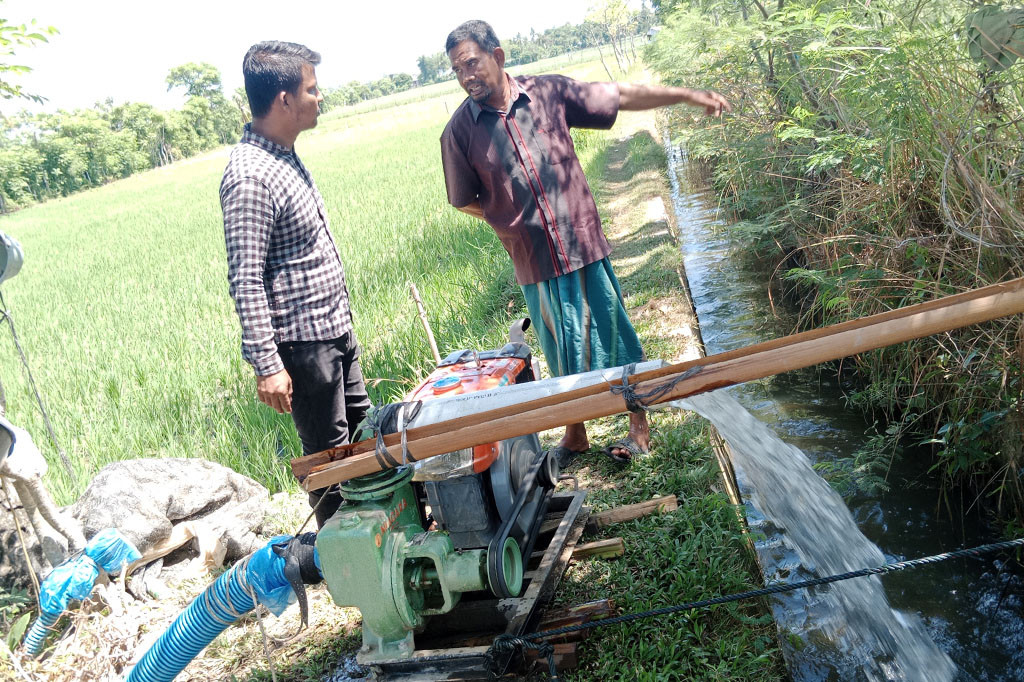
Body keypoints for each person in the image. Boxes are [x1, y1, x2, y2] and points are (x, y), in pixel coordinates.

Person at [440, 20, 731, 464]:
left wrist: (687, 95)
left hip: (581, 242)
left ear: (497, 56)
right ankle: (575, 434)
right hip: (534, 260)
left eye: (472, 63)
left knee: (613, 333)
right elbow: (463, 200)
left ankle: (639, 428)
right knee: (560, 348)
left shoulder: (549, 93)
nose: (467, 77)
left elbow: (620, 96)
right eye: (458, 70)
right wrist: (509, 221)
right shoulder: (459, 132)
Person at [220, 41, 370, 527]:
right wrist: (267, 365)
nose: (319, 96)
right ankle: (344, 558)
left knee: (364, 439)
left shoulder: (282, 156)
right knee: (328, 459)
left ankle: (384, 536)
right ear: (283, 99)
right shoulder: (250, 175)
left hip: (333, 330)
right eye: (311, 88)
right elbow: (245, 278)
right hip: (305, 347)